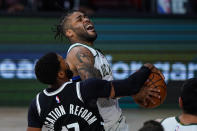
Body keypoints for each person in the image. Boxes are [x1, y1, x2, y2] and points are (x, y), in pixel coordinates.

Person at [54, 10, 161, 131]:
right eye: (79, 19)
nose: (86, 19)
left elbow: (105, 90)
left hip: (114, 123)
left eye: (86, 16)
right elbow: (95, 90)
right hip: (101, 126)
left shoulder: (92, 52)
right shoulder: (79, 52)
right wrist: (140, 76)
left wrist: (132, 92)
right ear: (69, 32)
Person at [27, 52, 158, 131]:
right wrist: (146, 68)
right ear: (61, 74)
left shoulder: (37, 104)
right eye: (64, 62)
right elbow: (130, 86)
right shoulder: (85, 88)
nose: (68, 62)